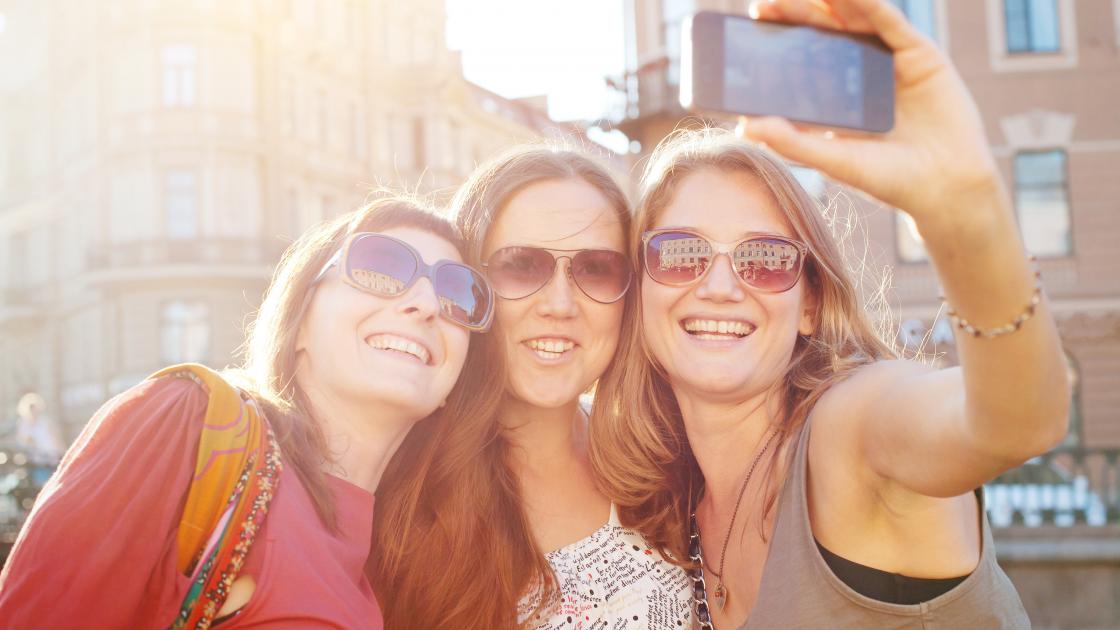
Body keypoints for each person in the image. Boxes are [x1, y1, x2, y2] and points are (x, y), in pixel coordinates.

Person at [590, 1, 1069, 628]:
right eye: (681, 253)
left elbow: (1014, 424)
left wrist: (965, 207)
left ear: (810, 305)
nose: (720, 286)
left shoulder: (849, 429)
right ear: (642, 290)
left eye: (764, 259)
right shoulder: (670, 509)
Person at [0, 195, 494, 628]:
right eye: (380, 268)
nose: (427, 303)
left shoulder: (407, 567)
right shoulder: (188, 423)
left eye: (457, 294)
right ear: (299, 322)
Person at [371, 146, 694, 628]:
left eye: (596, 269)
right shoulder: (394, 485)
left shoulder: (668, 464)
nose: (560, 304)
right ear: (466, 286)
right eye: (521, 265)